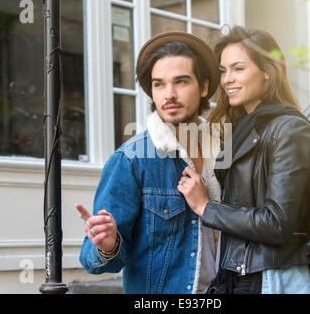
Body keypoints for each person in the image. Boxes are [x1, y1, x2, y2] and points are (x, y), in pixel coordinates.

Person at [177, 26, 310, 294]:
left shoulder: (290, 130)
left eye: (238, 69)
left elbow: (277, 223)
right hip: (237, 275)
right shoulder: (241, 130)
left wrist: (206, 208)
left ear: (267, 71)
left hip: (271, 277)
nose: (227, 80)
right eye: (223, 71)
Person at [76, 31, 223, 294]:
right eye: (159, 84)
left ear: (203, 87)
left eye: (181, 82)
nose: (169, 94)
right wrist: (107, 244)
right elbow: (92, 261)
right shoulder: (131, 159)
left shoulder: (223, 152)